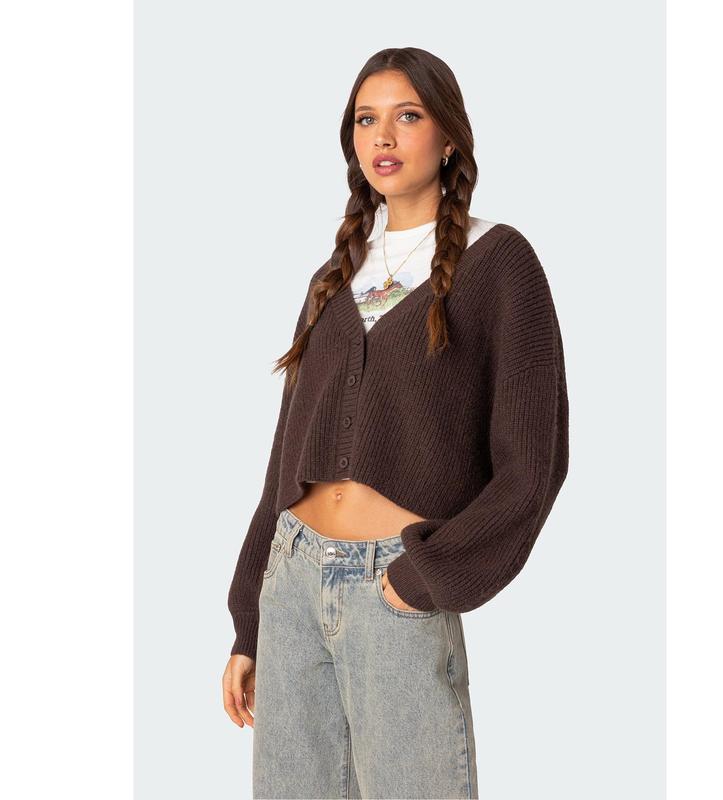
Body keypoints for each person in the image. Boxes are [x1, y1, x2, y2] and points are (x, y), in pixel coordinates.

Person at [222, 46, 569, 800]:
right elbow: (285, 456)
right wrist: (250, 617)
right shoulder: (334, 274)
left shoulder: (499, 261)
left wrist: (424, 578)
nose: (382, 136)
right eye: (365, 119)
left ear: (448, 137)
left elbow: (532, 465)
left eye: (407, 116)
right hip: (291, 583)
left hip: (395, 587)